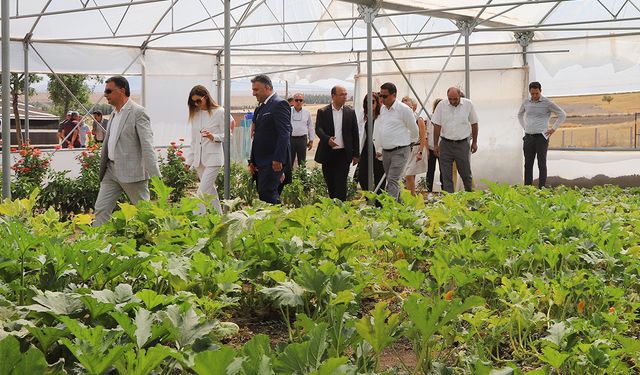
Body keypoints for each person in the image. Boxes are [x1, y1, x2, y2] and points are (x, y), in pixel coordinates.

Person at [93, 76, 161, 226]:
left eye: (108, 91)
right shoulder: (113, 114)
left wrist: (156, 177)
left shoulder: (138, 112)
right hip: (110, 171)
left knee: (144, 213)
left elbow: (147, 145)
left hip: (133, 173)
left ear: (122, 90)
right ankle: (97, 245)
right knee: (101, 209)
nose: (105, 94)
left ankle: (155, 242)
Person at [248, 74, 291, 204]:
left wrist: (278, 159)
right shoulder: (260, 108)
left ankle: (279, 221)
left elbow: (284, 133)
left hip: (272, 161)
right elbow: (256, 137)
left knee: (268, 194)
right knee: (264, 195)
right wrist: (252, 160)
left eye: (256, 90)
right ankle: (273, 222)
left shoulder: (279, 104)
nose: (254, 93)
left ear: (267, 88)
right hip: (261, 162)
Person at [372, 82, 419, 201]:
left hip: (400, 150)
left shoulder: (404, 110)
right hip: (386, 151)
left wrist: (409, 144)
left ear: (394, 95)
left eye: (385, 96)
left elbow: (414, 130)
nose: (381, 99)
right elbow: (382, 129)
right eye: (380, 96)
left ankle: (390, 210)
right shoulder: (383, 109)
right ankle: (399, 206)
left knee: (393, 179)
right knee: (392, 180)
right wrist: (380, 148)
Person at [314, 86, 359, 201]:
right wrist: (327, 139)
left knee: (341, 183)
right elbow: (318, 129)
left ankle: (341, 210)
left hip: (344, 154)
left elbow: (355, 133)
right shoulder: (323, 111)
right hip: (328, 154)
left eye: (345, 94)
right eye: (341, 94)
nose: (345, 97)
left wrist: (356, 154)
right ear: (333, 96)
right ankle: (333, 208)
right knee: (331, 184)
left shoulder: (350, 112)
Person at [517, 81, 566, 188]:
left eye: (537, 93)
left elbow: (562, 114)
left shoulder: (547, 103)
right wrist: (525, 126)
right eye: (532, 93)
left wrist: (553, 129)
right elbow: (519, 114)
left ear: (540, 91)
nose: (534, 96)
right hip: (528, 137)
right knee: (528, 164)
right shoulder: (526, 102)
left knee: (541, 164)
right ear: (530, 92)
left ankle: (541, 188)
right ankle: (527, 188)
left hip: (541, 137)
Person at [186, 85, 225, 214]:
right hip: (199, 161)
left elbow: (228, 135)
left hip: (214, 159)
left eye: (198, 101)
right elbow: (194, 141)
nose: (196, 104)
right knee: (211, 193)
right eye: (193, 102)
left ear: (206, 97)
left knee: (201, 194)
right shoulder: (196, 115)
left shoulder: (219, 111)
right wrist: (188, 161)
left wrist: (213, 137)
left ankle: (196, 221)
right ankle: (219, 219)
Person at [432, 87, 479, 193]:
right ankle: (450, 201)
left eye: (455, 99)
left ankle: (471, 198)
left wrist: (475, 142)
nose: (453, 101)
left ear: (460, 96)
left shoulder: (468, 105)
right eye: (450, 99)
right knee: (446, 175)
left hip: (462, 144)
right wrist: (435, 144)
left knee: (465, 173)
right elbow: (437, 125)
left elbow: (474, 123)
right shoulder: (441, 106)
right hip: (445, 144)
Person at [356, 93, 385, 191]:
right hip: (366, 149)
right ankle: (369, 198)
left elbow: (386, 134)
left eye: (372, 102)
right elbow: (359, 133)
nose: (370, 104)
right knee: (362, 176)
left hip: (377, 149)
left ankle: (379, 203)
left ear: (377, 102)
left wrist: (381, 149)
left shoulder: (382, 115)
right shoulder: (363, 114)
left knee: (379, 177)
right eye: (367, 102)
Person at [401, 96, 427, 196]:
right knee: (408, 175)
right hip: (405, 148)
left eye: (409, 107)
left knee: (409, 174)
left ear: (414, 107)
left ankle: (411, 196)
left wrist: (420, 152)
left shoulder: (418, 119)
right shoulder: (401, 119)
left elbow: (423, 136)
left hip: (416, 149)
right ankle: (410, 196)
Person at [290, 93, 314, 168]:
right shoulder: (288, 111)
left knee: (302, 162)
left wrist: (311, 140)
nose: (298, 102)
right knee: (289, 161)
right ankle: (288, 179)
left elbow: (310, 126)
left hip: (302, 139)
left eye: (300, 100)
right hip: (290, 139)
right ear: (293, 101)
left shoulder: (307, 112)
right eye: (296, 100)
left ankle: (302, 178)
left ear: (303, 102)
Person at [426, 99, 443, 192]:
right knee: (430, 170)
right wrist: (427, 149)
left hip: (442, 148)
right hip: (432, 148)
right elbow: (427, 133)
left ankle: (444, 191)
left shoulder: (445, 117)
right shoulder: (430, 117)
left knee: (443, 171)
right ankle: (429, 190)